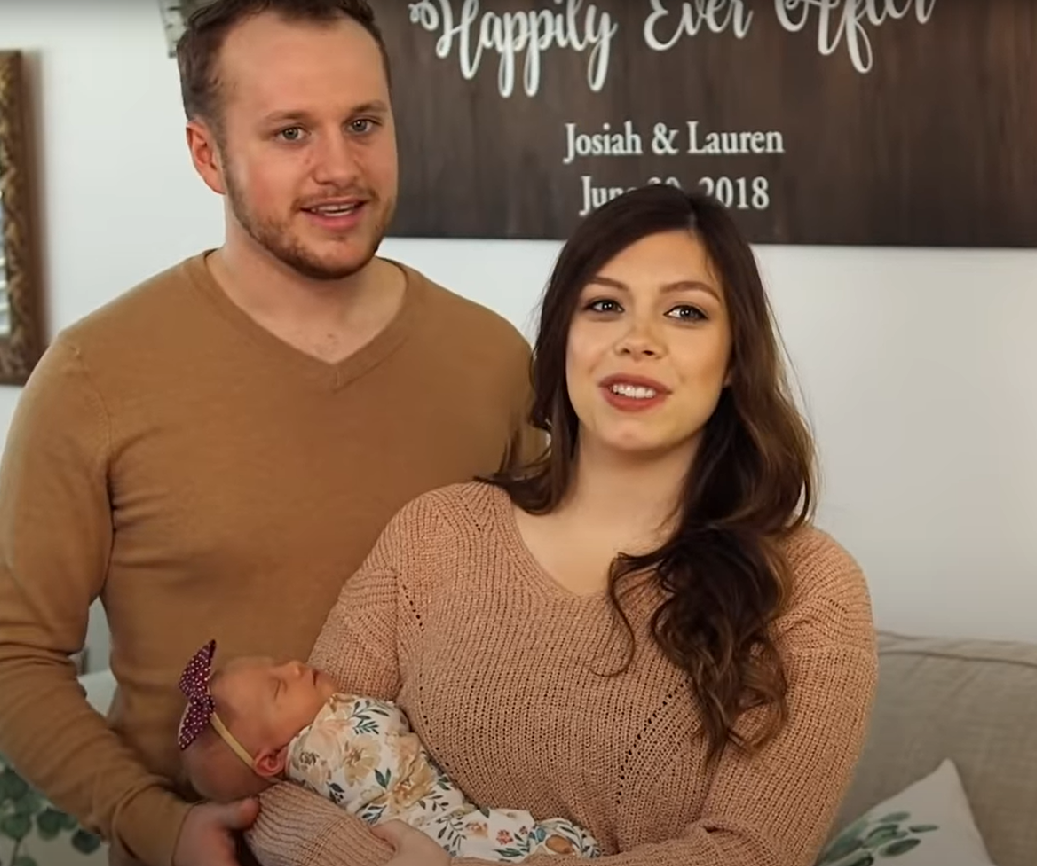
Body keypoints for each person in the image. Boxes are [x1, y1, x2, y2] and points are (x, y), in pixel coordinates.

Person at [0, 2, 542, 866]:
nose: (339, 168)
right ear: (207, 155)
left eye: (363, 123)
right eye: (290, 133)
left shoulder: (492, 358)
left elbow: (562, 610)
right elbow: (9, 658)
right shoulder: (94, 376)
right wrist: (159, 827)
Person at [243, 182, 880, 866]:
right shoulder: (437, 534)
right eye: (604, 306)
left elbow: (752, 854)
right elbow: (282, 784)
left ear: (733, 361)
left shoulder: (809, 588)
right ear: (562, 337)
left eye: (687, 313)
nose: (638, 341)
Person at [174, 641, 601, 861]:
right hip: (434, 829)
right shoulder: (328, 738)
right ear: (271, 759)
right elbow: (384, 721)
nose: (296, 666)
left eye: (279, 663)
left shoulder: (299, 774)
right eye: (280, 687)